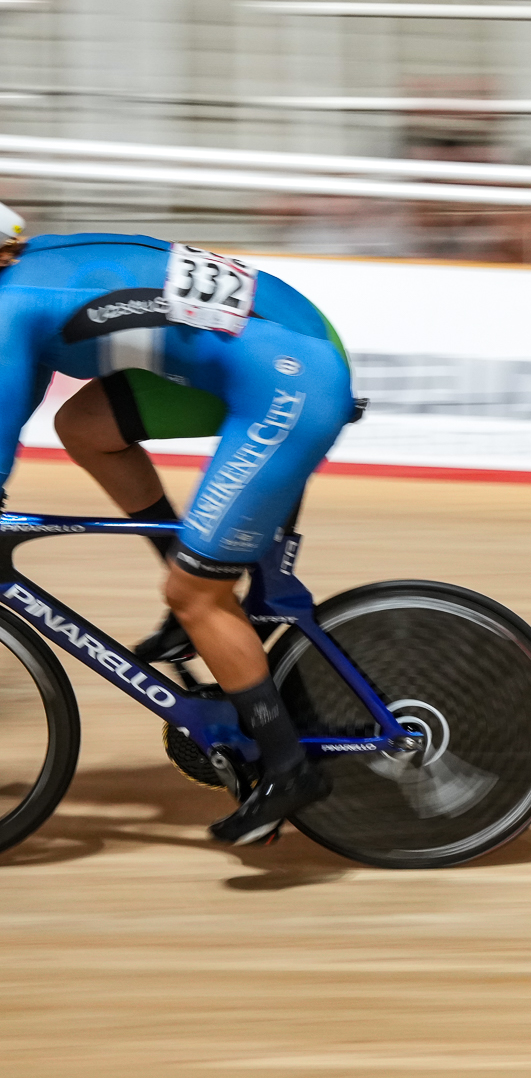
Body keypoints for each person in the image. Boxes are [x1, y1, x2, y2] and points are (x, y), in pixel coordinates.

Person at [0, 203, 357, 843]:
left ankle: (287, 766)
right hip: (279, 336)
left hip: (289, 372)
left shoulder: (10, 306)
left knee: (197, 595)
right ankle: (191, 578)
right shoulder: (30, 274)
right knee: (83, 427)